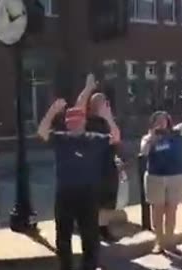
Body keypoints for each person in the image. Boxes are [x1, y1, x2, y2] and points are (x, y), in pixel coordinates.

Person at [38, 98, 116, 270]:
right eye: (70, 122)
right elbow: (42, 131)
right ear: (66, 123)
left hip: (88, 195)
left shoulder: (95, 138)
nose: (74, 125)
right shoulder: (60, 138)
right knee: (63, 238)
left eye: (77, 122)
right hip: (65, 195)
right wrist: (52, 111)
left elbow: (115, 138)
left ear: (84, 122)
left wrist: (107, 117)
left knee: (90, 238)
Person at [140, 95, 182, 254]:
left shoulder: (176, 132)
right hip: (155, 177)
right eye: (157, 120)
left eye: (163, 119)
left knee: (171, 210)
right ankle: (159, 242)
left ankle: (170, 241)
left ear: (168, 121)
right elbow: (143, 152)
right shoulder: (148, 137)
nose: (161, 122)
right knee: (157, 211)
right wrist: (151, 138)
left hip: (176, 176)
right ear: (152, 123)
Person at [75, 74, 122, 243]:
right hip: (90, 167)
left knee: (108, 201)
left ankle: (103, 229)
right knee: (91, 201)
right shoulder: (85, 121)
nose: (102, 105)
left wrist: (108, 116)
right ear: (92, 105)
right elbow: (78, 106)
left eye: (104, 102)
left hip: (108, 166)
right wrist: (88, 88)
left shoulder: (108, 121)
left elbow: (116, 138)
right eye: (99, 102)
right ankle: (90, 230)